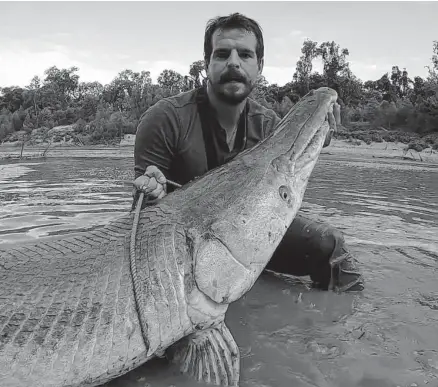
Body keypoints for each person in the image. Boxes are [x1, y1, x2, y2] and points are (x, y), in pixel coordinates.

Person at [132, 13, 364, 292]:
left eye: (244, 54)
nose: (233, 62)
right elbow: (140, 224)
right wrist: (150, 193)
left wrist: (320, 137)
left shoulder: (268, 125)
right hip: (181, 250)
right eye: (222, 54)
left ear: (259, 66)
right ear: (207, 64)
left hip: (250, 236)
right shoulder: (164, 118)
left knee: (331, 246)